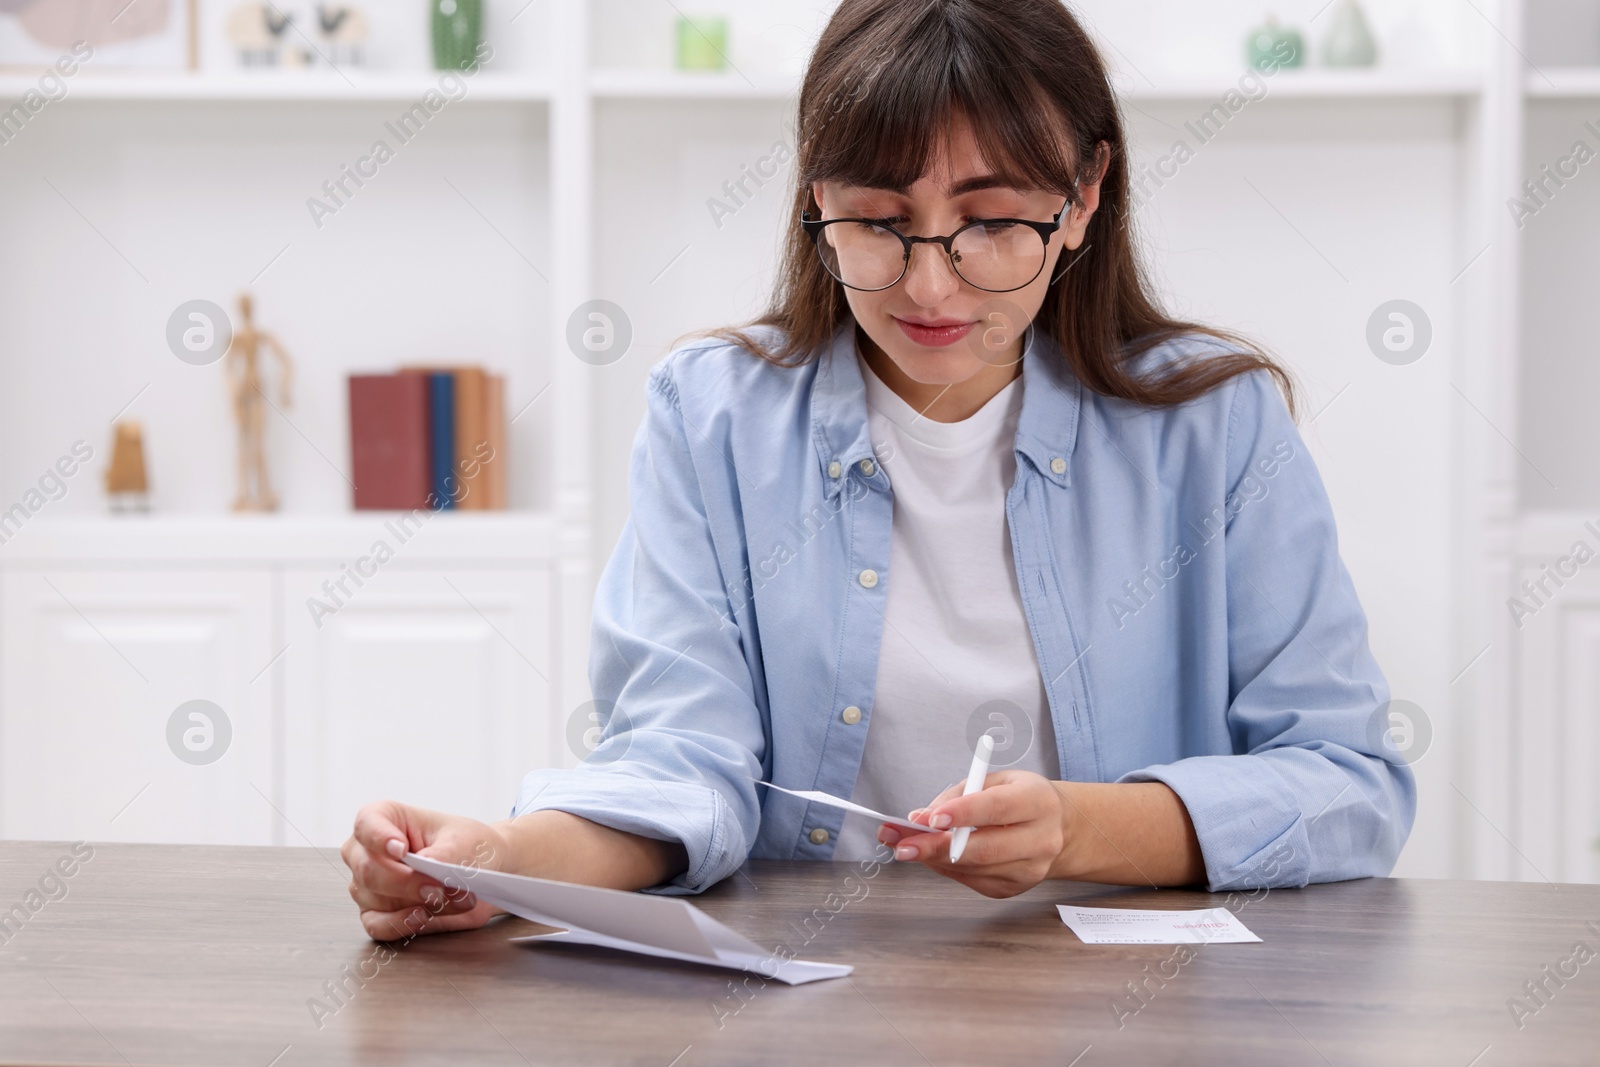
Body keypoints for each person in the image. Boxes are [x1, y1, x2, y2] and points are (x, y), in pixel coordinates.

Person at [342, 0, 1415, 941]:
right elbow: (677, 762)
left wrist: (1077, 826)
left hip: (1125, 1003)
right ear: (816, 200)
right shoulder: (709, 415)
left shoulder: (1212, 423)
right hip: (813, 988)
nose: (931, 284)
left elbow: (1348, 782)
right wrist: (494, 859)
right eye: (881, 223)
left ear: (1084, 197)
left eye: (992, 224)